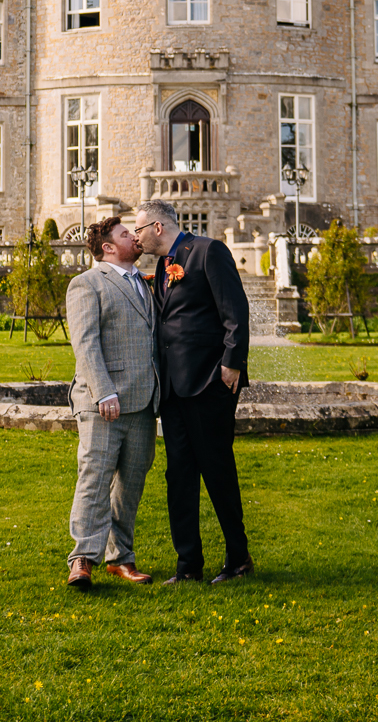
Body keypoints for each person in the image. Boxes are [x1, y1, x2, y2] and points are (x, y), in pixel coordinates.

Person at [133, 198, 253, 584]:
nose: (135, 238)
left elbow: (235, 311)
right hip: (172, 388)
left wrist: (232, 363)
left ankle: (238, 560)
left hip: (208, 383)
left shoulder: (208, 251)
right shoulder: (160, 266)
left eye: (138, 230)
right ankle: (188, 566)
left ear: (156, 228)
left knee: (217, 471)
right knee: (179, 475)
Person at [63, 215, 160, 590]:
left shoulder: (145, 284)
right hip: (103, 402)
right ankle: (82, 559)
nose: (135, 238)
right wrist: (104, 391)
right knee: (95, 478)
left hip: (143, 402)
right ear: (107, 247)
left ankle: (120, 558)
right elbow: (85, 342)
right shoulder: (86, 284)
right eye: (126, 234)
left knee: (131, 484)